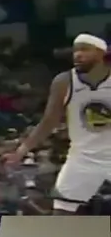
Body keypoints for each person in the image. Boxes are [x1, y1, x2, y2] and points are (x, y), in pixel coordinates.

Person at [7, 34, 111, 213]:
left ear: (101, 53)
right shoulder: (64, 82)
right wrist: (21, 151)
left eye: (84, 49)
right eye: (75, 50)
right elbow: (49, 121)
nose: (78, 54)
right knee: (61, 211)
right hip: (83, 158)